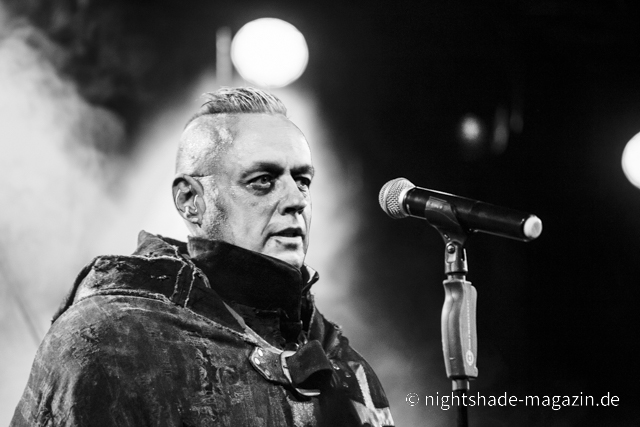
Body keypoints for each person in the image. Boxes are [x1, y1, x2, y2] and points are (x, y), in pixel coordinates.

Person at [11, 87, 394, 427]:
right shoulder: (111, 341)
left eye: (303, 181)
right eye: (263, 180)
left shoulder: (342, 364)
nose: (296, 200)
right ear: (190, 200)